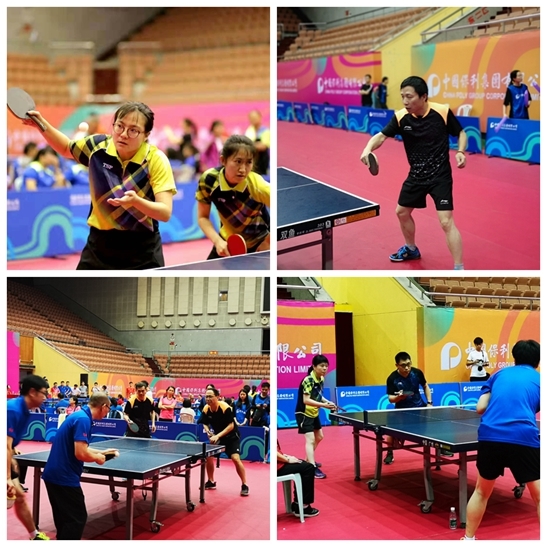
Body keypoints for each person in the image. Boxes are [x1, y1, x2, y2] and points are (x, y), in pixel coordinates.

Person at [20, 101, 177, 269]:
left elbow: (164, 212)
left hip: (142, 249)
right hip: (99, 245)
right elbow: (66, 147)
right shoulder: (97, 147)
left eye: (133, 130)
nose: (123, 134)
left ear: (146, 134)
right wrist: (41, 124)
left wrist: (136, 202)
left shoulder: (155, 160)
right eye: (119, 126)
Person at [360, 75, 467, 269]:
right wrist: (367, 149)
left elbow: (460, 132)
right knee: (401, 212)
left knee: (446, 222)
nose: (405, 101)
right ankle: (411, 249)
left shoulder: (441, 112)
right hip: (416, 175)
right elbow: (381, 136)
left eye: (409, 96)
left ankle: (459, 268)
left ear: (423, 96)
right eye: (402, 96)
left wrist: (460, 151)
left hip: (440, 176)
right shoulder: (401, 117)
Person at [462, 340, 540, 541]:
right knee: (540, 497)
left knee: (481, 492)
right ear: (538, 361)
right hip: (523, 436)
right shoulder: (539, 379)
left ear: (514, 358)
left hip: (490, 436)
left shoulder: (498, 375)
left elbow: (480, 408)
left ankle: (468, 539)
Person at [42, 392, 117, 540]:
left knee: (64, 519)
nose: (108, 411)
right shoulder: (83, 420)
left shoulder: (79, 415)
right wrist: (98, 458)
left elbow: (80, 447)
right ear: (103, 406)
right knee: (77, 519)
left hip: (54, 475)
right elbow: (80, 453)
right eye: (108, 408)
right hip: (64, 477)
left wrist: (101, 452)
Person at [196, 134, 270, 259]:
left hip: (259, 243)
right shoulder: (209, 181)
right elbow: (202, 217)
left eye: (249, 162)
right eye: (238, 161)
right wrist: (217, 241)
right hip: (228, 242)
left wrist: (268, 242)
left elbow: (283, 208)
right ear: (223, 160)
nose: (243, 169)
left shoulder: (257, 185)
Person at [7, 374, 52, 540]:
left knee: (19, 496)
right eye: (44, 393)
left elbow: (8, 444)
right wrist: (7, 478)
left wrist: (11, 458)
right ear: (32, 392)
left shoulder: (24, 410)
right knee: (14, 493)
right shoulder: (13, 409)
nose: (46, 397)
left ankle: (34, 536)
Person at [384, 351, 433, 464]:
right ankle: (389, 452)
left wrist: (429, 403)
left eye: (408, 364)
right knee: (390, 431)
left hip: (420, 408)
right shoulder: (392, 378)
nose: (406, 368)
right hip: (402, 411)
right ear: (397, 365)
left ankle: (442, 449)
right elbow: (390, 398)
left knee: (436, 426)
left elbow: (425, 386)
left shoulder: (417, 373)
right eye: (403, 365)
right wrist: (399, 397)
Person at [199, 387, 249, 496]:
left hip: (231, 437)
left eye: (210, 396)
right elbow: (204, 423)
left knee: (235, 458)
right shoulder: (206, 408)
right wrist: (208, 431)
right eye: (206, 396)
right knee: (208, 456)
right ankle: (211, 481)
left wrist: (217, 436)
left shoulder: (225, 408)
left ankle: (244, 484)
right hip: (218, 437)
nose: (208, 399)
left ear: (217, 397)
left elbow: (231, 426)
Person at [295, 355, 337, 479]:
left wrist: (328, 402)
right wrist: (324, 405)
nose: (324, 368)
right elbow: (306, 400)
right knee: (310, 440)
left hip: (314, 413)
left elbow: (317, 395)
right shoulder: (308, 380)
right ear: (314, 366)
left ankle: (308, 460)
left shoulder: (321, 378)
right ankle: (311, 468)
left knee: (319, 437)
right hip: (304, 413)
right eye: (321, 366)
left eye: (326, 366)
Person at [277, 440, 319, 518]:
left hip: (278, 463)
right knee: (308, 468)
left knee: (302, 463)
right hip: (277, 467)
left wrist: (285, 456)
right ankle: (303, 506)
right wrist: (287, 459)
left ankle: (297, 504)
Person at [244, 109, 270, 175]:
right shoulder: (249, 130)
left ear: (260, 117)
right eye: (251, 118)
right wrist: (256, 145)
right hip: (251, 160)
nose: (253, 119)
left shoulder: (265, 131)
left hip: (263, 161)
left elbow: (263, 147)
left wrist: (250, 145)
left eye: (255, 118)